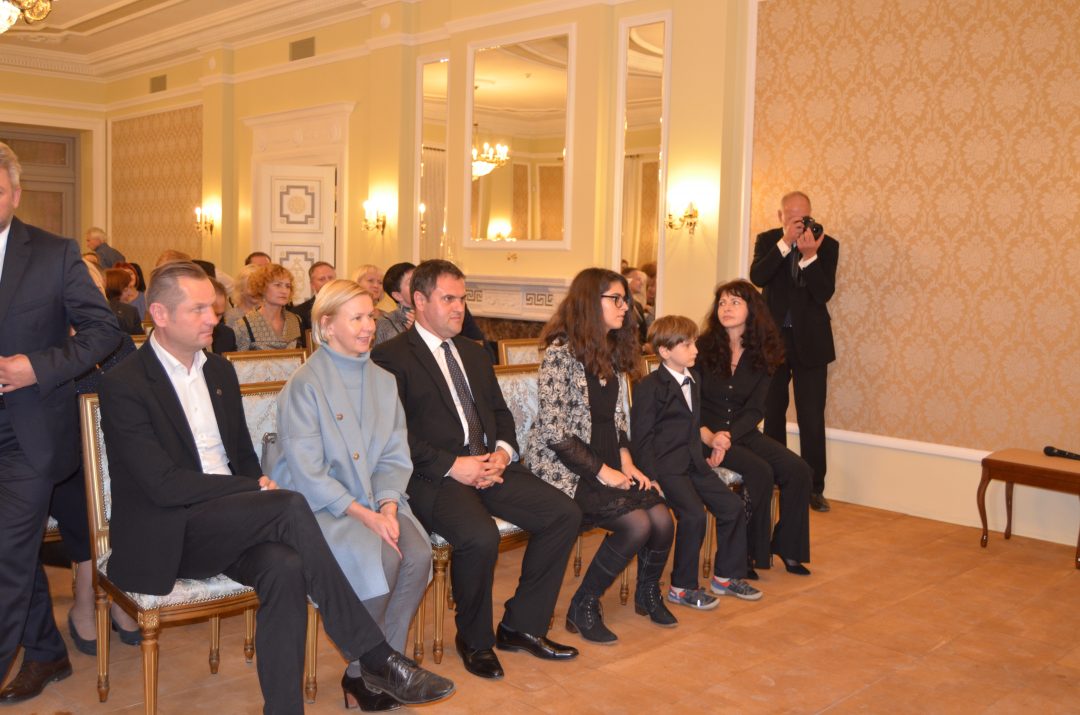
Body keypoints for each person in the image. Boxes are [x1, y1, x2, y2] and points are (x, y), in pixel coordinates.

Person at [98, 261, 454, 714]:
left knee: (285, 566)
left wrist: (255, 482)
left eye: (213, 308)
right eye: (199, 309)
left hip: (230, 523)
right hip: (169, 532)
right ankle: (375, 656)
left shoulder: (219, 372)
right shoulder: (124, 383)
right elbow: (162, 485)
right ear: (160, 314)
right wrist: (251, 488)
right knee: (288, 505)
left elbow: (241, 456)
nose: (213, 318)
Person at [372, 259, 581, 680]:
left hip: (489, 464)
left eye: (462, 298)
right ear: (419, 300)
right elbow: (394, 435)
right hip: (433, 476)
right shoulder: (390, 357)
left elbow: (500, 413)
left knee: (564, 514)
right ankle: (474, 639)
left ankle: (522, 625)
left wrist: (502, 452)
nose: (459, 307)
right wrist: (454, 465)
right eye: (448, 298)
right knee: (479, 537)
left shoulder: (473, 351)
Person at [0, 142, 123, 704]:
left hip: (26, 434)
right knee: (14, 553)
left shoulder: (54, 253)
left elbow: (103, 331)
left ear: (16, 194)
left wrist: (37, 366)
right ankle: (47, 652)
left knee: (6, 557)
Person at [271, 279, 431, 711]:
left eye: (371, 317)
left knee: (418, 556)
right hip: (322, 506)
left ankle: (381, 668)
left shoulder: (383, 380)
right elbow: (307, 472)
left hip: (378, 499)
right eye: (356, 318)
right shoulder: (305, 384)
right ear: (327, 326)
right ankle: (366, 671)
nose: (368, 327)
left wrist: (389, 505)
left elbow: (395, 453)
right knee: (382, 561)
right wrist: (366, 514)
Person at [524, 267, 674, 643]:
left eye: (625, 300)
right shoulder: (559, 355)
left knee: (662, 517)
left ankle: (647, 593)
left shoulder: (611, 351)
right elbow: (555, 433)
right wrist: (604, 471)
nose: (625, 307)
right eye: (616, 299)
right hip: (568, 467)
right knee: (637, 524)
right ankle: (584, 605)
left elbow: (617, 418)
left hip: (607, 458)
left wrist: (627, 463)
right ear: (591, 302)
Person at [631, 315, 761, 610]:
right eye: (687, 345)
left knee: (732, 507)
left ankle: (725, 577)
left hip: (694, 463)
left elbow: (694, 425)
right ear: (665, 351)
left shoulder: (694, 379)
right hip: (667, 468)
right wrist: (651, 477)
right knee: (693, 516)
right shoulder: (650, 387)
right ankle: (681, 587)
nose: (695, 350)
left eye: (694, 343)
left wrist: (711, 442)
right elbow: (641, 437)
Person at [697, 279, 813, 577]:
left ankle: (788, 547)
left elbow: (755, 409)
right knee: (759, 471)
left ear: (752, 310)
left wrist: (730, 436)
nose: (726, 308)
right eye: (722, 302)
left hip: (742, 433)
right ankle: (745, 553)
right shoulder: (702, 349)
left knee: (799, 470)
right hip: (704, 434)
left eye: (735, 302)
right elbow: (689, 403)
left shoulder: (764, 353)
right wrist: (713, 437)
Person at [750, 191, 839, 512]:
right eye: (792, 218)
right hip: (773, 342)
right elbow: (758, 276)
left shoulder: (827, 245)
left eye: (804, 217)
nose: (799, 223)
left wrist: (809, 256)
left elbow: (824, 292)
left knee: (811, 417)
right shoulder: (768, 241)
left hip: (812, 343)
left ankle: (814, 487)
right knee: (773, 412)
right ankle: (776, 478)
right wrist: (786, 243)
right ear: (781, 216)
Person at [231, 263, 302, 351]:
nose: (284, 291)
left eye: (288, 286)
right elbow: (239, 359)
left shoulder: (295, 320)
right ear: (262, 287)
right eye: (278, 285)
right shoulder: (244, 324)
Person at [287, 261, 336, 344]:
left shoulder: (348, 307)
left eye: (331, 278)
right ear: (312, 285)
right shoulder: (298, 313)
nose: (328, 282)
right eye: (322, 279)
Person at [373, 261, 415, 346]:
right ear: (398, 296)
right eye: (411, 282)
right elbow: (381, 354)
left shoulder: (436, 315)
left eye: (420, 279)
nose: (420, 284)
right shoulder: (385, 323)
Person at [104, 268, 144, 335]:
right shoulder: (131, 311)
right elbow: (139, 340)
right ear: (121, 289)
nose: (130, 293)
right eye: (128, 288)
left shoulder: (95, 308)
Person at [210, 279, 237, 354]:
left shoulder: (226, 335)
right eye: (214, 314)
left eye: (220, 315)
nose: (215, 321)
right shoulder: (185, 338)